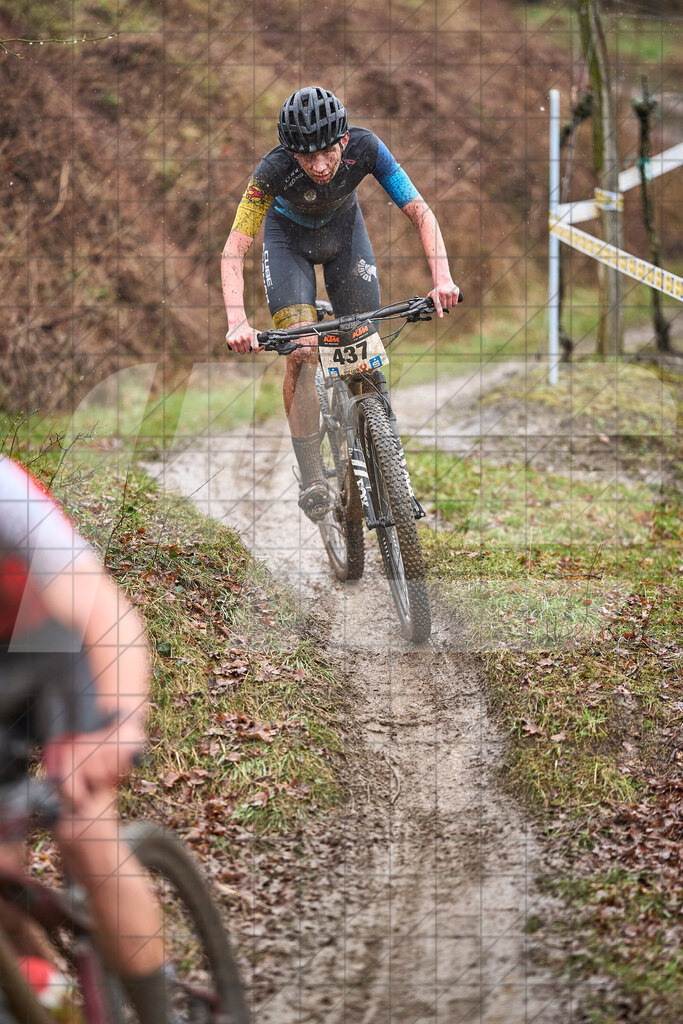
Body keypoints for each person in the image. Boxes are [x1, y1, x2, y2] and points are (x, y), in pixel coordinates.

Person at [222, 85, 460, 521]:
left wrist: (441, 279)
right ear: (289, 152)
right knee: (302, 350)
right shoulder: (272, 170)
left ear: (343, 140)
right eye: (304, 157)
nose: (317, 166)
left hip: (345, 240)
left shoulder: (367, 148)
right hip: (286, 244)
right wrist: (237, 322)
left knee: (363, 346)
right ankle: (313, 474)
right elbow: (234, 249)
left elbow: (420, 212)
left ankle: (393, 474)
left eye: (326, 153)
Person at [0, 454, 172, 1023]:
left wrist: (119, 724)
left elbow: (103, 610)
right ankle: (51, 1003)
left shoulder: (3, 491)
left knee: (85, 827)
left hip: (48, 649)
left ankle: (158, 1013)